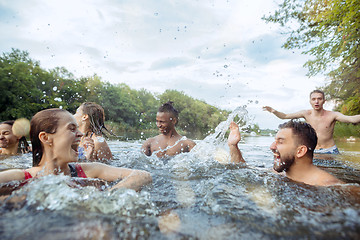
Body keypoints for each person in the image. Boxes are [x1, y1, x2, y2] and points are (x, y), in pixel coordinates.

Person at [0, 108, 152, 191]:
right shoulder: (22, 177)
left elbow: (142, 175)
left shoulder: (89, 170)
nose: (80, 133)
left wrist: (106, 199)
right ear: (46, 138)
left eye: (78, 128)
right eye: (72, 128)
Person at [227, 120, 344, 186]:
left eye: (280, 142)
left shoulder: (331, 185)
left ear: (300, 151)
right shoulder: (280, 173)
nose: (272, 147)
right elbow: (242, 169)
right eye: (274, 141)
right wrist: (233, 146)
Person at [263, 90, 360, 154]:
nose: (316, 101)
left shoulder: (333, 115)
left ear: (324, 101)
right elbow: (284, 116)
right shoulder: (306, 113)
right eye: (314, 99)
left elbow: (352, 119)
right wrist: (274, 111)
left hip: (330, 150)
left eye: (319, 99)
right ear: (310, 101)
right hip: (312, 150)